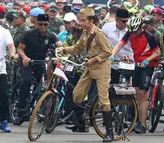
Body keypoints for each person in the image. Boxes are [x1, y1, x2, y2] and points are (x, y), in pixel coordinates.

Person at [56, 7, 114, 142]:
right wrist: (64, 49)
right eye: (79, 20)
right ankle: (81, 120)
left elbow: (108, 52)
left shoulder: (99, 34)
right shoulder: (85, 33)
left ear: (91, 21)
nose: (80, 23)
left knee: (104, 101)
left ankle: (109, 133)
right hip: (89, 68)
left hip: (101, 69)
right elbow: (78, 47)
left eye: (83, 21)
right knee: (77, 95)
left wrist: (94, 59)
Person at [112, 17, 160, 134]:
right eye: (132, 32)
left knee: (142, 94)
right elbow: (120, 44)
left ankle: (143, 124)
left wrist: (147, 60)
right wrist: (112, 55)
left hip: (148, 65)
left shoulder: (150, 37)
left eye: (135, 31)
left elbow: (157, 52)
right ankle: (137, 120)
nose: (134, 34)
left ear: (141, 28)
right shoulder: (130, 33)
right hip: (137, 64)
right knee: (136, 93)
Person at [17, 14, 62, 116]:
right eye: (40, 24)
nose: (43, 27)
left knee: (41, 84)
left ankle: (37, 105)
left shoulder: (51, 35)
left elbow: (59, 46)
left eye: (45, 24)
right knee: (27, 80)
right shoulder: (28, 34)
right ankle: (21, 106)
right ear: (36, 23)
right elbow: (20, 49)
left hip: (41, 63)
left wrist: (59, 55)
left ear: (48, 24)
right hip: (28, 62)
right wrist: (24, 57)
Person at [102, 8, 133, 84]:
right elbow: (101, 43)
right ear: (117, 20)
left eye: (127, 20)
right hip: (112, 64)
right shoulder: (107, 27)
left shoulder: (131, 30)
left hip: (128, 63)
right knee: (110, 87)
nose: (126, 23)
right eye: (124, 21)